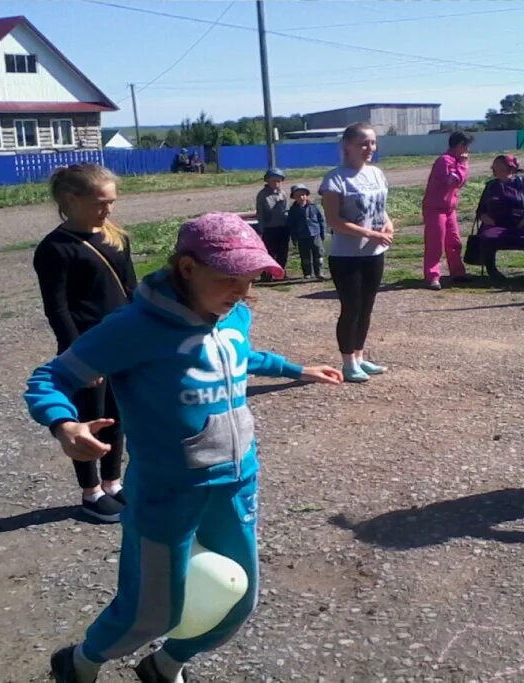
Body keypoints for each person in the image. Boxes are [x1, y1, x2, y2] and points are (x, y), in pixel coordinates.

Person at [26, 212, 342, 683]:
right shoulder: (134, 327)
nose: (241, 289)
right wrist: (64, 424)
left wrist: (296, 368)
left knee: (240, 599)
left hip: (237, 483)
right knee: (149, 614)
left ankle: (164, 666)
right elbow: (51, 376)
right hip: (166, 493)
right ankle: (79, 662)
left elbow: (238, 355)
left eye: (250, 278)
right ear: (188, 268)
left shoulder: (234, 313)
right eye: (228, 278)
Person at [33, 164, 136, 523]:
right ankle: (90, 493)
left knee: (117, 417)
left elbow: (131, 292)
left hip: (123, 344)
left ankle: (113, 483)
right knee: (89, 418)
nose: (108, 210)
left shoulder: (116, 238)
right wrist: (79, 358)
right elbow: (58, 309)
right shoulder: (55, 249)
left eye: (112, 202)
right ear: (70, 200)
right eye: (100, 202)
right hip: (88, 349)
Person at [320, 122, 394, 383]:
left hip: (374, 252)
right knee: (351, 308)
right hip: (346, 255)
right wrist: (372, 234)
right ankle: (348, 362)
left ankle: (360, 357)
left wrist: (387, 223)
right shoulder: (335, 179)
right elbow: (334, 221)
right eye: (363, 143)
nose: (369, 148)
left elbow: (379, 207)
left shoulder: (376, 173)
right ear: (347, 147)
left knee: (367, 307)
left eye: (372, 143)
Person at [475, 154, 524, 286]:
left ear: (510, 168)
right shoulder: (491, 186)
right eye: (493, 167)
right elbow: (481, 209)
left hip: (522, 224)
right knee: (486, 237)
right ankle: (493, 273)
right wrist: (485, 217)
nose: (494, 170)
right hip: (497, 225)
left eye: (498, 167)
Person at [422, 131, 474, 290]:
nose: (467, 151)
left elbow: (460, 182)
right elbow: (453, 181)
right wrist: (464, 165)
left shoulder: (456, 161)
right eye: (466, 147)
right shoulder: (445, 161)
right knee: (435, 244)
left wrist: (462, 165)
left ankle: (457, 272)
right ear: (460, 145)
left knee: (454, 242)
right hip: (435, 209)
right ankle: (432, 276)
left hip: (449, 209)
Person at [255, 168, 290, 279]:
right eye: (273, 180)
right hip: (269, 227)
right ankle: (267, 273)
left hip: (283, 227)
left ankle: (281, 272)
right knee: (269, 252)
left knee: (282, 252)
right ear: (267, 181)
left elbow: (286, 210)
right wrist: (261, 228)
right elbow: (260, 213)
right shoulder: (263, 195)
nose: (276, 183)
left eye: (278, 181)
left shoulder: (283, 194)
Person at [287, 184, 326, 280]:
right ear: (294, 197)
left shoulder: (314, 207)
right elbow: (292, 224)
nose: (301, 197)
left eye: (303, 194)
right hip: (302, 235)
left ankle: (319, 272)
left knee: (318, 254)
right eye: (298, 195)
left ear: (307, 195)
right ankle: (307, 273)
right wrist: (294, 237)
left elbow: (321, 220)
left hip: (315, 234)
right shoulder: (293, 210)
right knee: (305, 255)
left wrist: (322, 233)